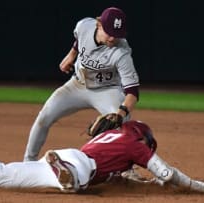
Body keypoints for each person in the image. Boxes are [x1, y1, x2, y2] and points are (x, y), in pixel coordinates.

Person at [0, 120, 204, 194]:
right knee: (77, 183)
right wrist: (194, 184)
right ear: (143, 137)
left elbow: (125, 179)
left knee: (1, 178)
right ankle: (66, 174)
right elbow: (167, 174)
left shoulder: (115, 136)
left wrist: (148, 185)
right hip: (80, 165)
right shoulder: (135, 144)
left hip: (69, 154)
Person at [24, 7, 140, 161]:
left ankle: (125, 171)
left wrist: (120, 114)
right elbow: (80, 40)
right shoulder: (84, 25)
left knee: (123, 126)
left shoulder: (122, 52)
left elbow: (133, 92)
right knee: (44, 117)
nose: (112, 38)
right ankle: (28, 162)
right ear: (98, 24)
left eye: (117, 34)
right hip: (77, 86)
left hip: (107, 90)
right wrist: (71, 55)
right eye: (109, 32)